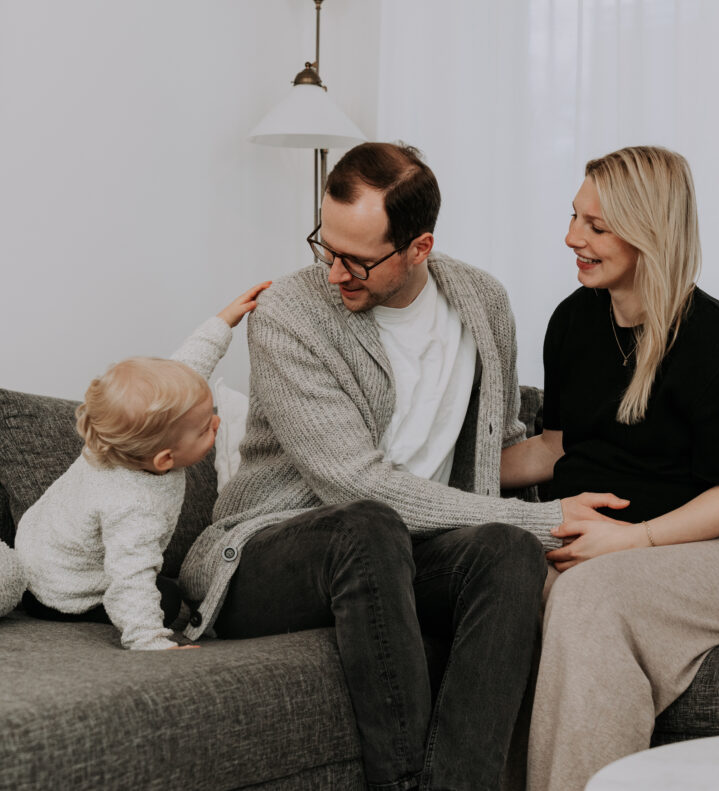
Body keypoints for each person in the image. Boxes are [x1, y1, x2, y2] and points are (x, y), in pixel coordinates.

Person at [178, 142, 624, 791]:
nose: (333, 273)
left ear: (419, 247)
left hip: (409, 555)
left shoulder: (482, 302)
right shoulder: (288, 314)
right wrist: (549, 520)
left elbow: (499, 446)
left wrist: (576, 526)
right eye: (323, 247)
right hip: (269, 553)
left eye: (356, 261)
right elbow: (356, 485)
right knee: (369, 524)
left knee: (507, 551)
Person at [499, 146, 719, 790]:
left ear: (648, 232)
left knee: (587, 595)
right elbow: (555, 448)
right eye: (574, 217)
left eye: (596, 226)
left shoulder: (711, 340)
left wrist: (631, 540)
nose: (571, 237)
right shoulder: (572, 321)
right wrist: (428, 483)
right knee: (500, 582)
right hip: (607, 549)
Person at [13, 282, 271, 651]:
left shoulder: (114, 440)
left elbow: (186, 368)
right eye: (204, 429)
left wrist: (223, 322)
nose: (216, 423)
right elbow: (130, 575)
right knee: (166, 597)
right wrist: (149, 638)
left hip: (39, 552)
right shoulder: (134, 504)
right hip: (60, 595)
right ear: (164, 459)